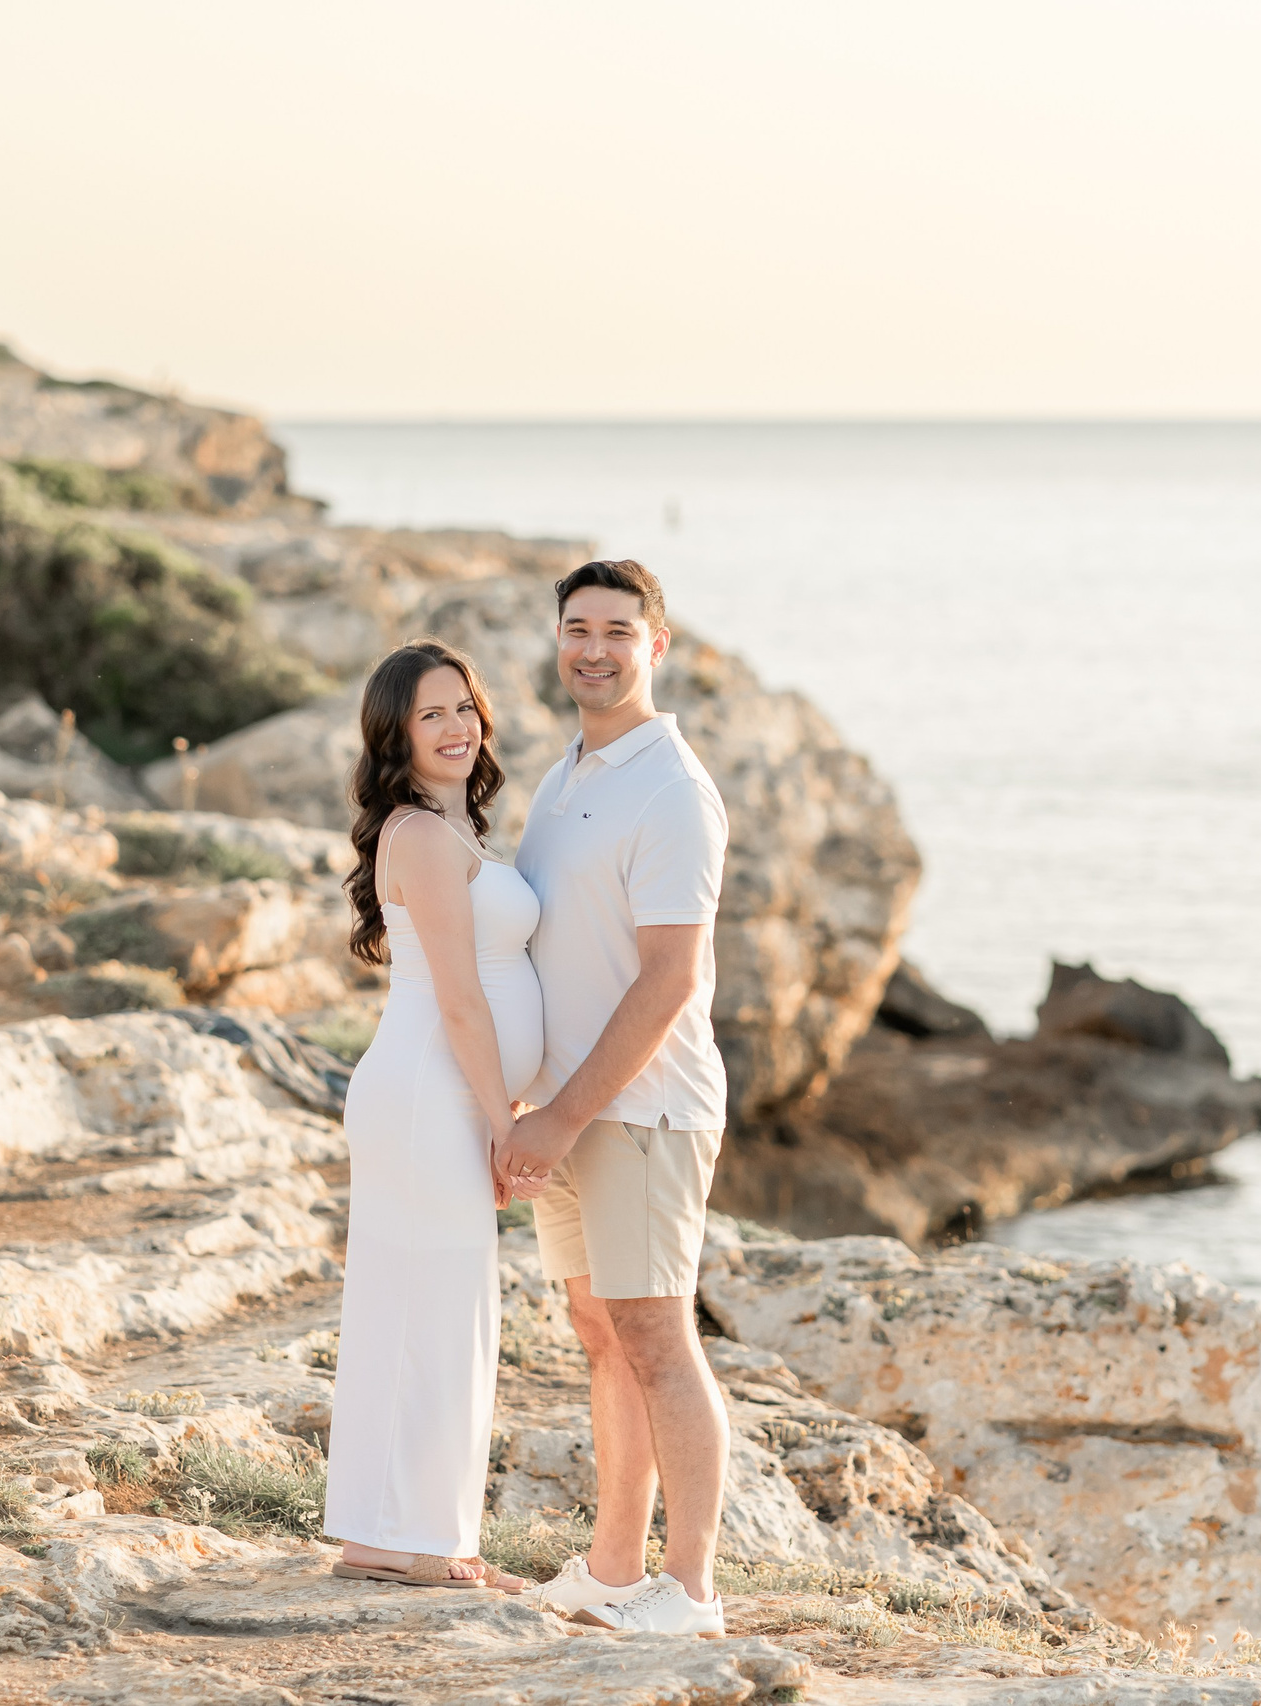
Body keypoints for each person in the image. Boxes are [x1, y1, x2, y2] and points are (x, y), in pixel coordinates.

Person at [495, 559, 733, 1637]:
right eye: (576, 627)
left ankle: (687, 1590)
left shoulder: (670, 788)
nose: (594, 647)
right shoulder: (568, 775)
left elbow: (669, 979)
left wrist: (559, 1115)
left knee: (653, 1331)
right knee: (600, 1331)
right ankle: (609, 1566)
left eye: (618, 630)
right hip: (569, 1106)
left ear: (657, 645)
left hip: (642, 1109)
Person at [322, 641, 546, 1591]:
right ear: (396, 737)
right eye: (432, 716)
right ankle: (434, 1545)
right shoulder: (416, 835)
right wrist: (506, 1121)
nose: (458, 728)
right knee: (441, 1312)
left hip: (438, 1092)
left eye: (466, 708)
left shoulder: (456, 833)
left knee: (411, 1305)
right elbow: (460, 999)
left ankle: (383, 1533)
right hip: (430, 1095)